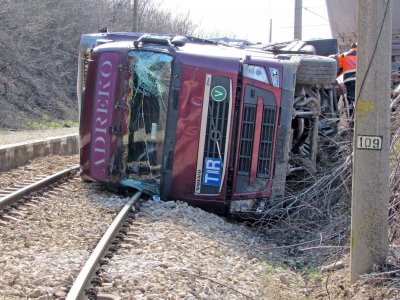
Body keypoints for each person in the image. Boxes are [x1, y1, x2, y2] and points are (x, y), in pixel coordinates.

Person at [338, 42, 357, 118]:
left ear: (351, 47)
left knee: (351, 101)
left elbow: (339, 69)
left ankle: (352, 120)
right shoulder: (364, 55)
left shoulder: (344, 55)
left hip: (349, 81)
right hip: (362, 80)